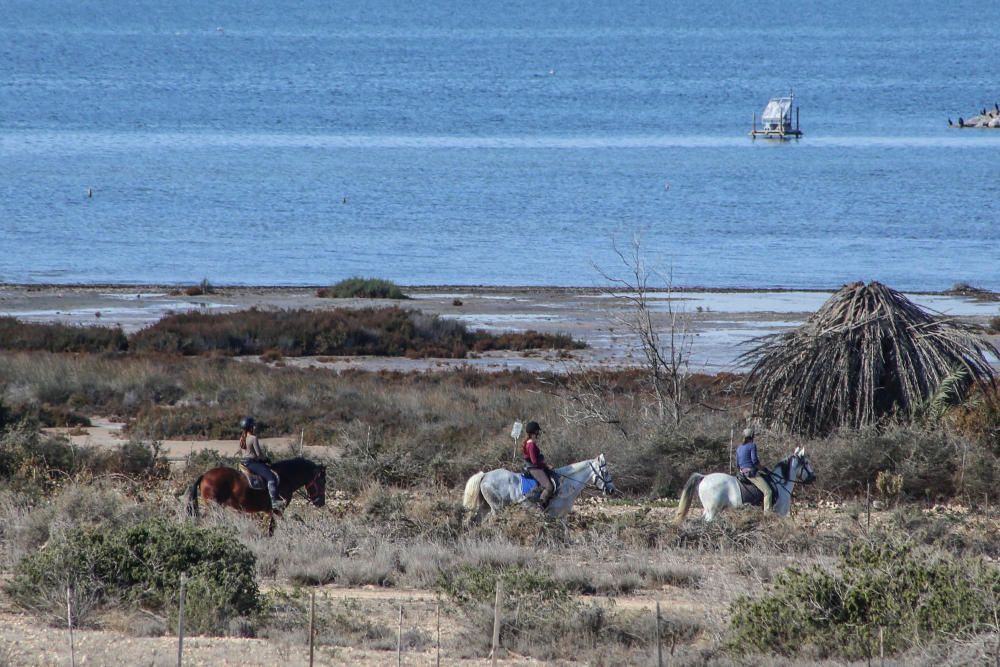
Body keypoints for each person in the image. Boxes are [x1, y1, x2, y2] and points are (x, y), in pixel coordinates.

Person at [239, 416, 284, 510]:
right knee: (271, 478)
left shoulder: (242, 438)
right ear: (251, 427)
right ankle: (274, 501)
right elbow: (259, 454)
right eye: (253, 426)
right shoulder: (253, 438)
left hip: (243, 463)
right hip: (251, 463)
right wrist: (266, 459)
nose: (255, 427)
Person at [735, 427, 772, 512]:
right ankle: (767, 515)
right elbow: (755, 462)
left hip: (741, 473)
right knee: (768, 491)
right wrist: (764, 469)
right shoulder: (752, 445)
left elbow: (737, 464)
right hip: (750, 474)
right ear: (752, 436)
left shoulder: (739, 448)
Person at [521, 421, 555, 510]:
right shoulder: (531, 444)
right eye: (537, 431)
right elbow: (534, 461)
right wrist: (546, 465)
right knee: (549, 487)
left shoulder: (528, 442)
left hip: (534, 466)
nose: (538, 433)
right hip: (533, 468)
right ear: (535, 432)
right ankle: (540, 507)